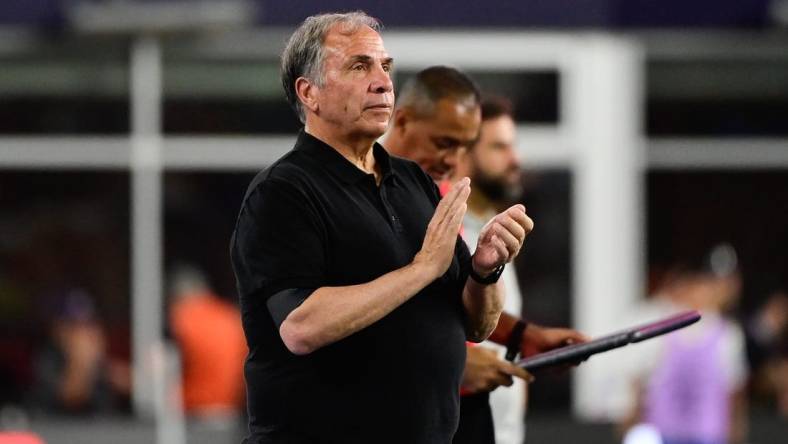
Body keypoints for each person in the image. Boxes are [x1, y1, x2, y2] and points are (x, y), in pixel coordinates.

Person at [230, 12, 533, 444]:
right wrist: (421, 268)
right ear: (309, 92)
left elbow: (477, 327)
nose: (383, 82)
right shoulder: (282, 193)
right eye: (359, 66)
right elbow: (300, 326)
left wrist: (486, 270)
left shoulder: (414, 182)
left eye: (385, 67)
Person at [384, 72, 587, 444]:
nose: (453, 159)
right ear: (402, 121)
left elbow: (449, 306)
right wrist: (449, 363)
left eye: (463, 146)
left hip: (461, 418)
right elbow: (345, 325)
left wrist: (523, 334)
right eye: (445, 143)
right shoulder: (364, 200)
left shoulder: (439, 198)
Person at [621, 244, 749, 444]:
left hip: (709, 437)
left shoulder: (728, 334)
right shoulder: (659, 327)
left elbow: (734, 396)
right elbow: (638, 386)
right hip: (664, 435)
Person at [168, 265, 246, 420]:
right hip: (232, 412)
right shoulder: (232, 316)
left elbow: (164, 370)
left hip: (191, 411)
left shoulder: (182, 317)